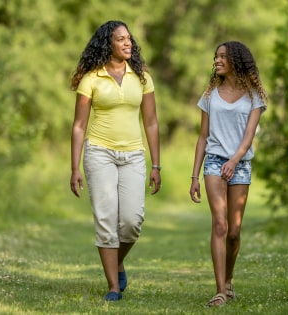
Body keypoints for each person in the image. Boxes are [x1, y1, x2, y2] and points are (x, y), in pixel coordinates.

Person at [69, 20, 161, 302]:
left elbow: (152, 123)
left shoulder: (142, 77)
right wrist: (75, 167)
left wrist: (156, 165)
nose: (127, 43)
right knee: (106, 219)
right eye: (120, 39)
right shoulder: (91, 78)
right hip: (99, 153)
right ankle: (113, 287)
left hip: (133, 154)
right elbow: (79, 126)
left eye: (128, 38)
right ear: (107, 44)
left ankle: (117, 262)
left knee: (132, 221)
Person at [189, 41, 267, 306]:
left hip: (240, 164)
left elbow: (248, 138)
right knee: (220, 225)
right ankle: (220, 290)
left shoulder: (254, 96)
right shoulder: (210, 95)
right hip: (213, 162)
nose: (217, 60)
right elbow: (202, 138)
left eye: (223, 56)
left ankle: (229, 279)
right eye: (216, 56)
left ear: (236, 60)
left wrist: (234, 161)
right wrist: (193, 177)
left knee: (234, 232)